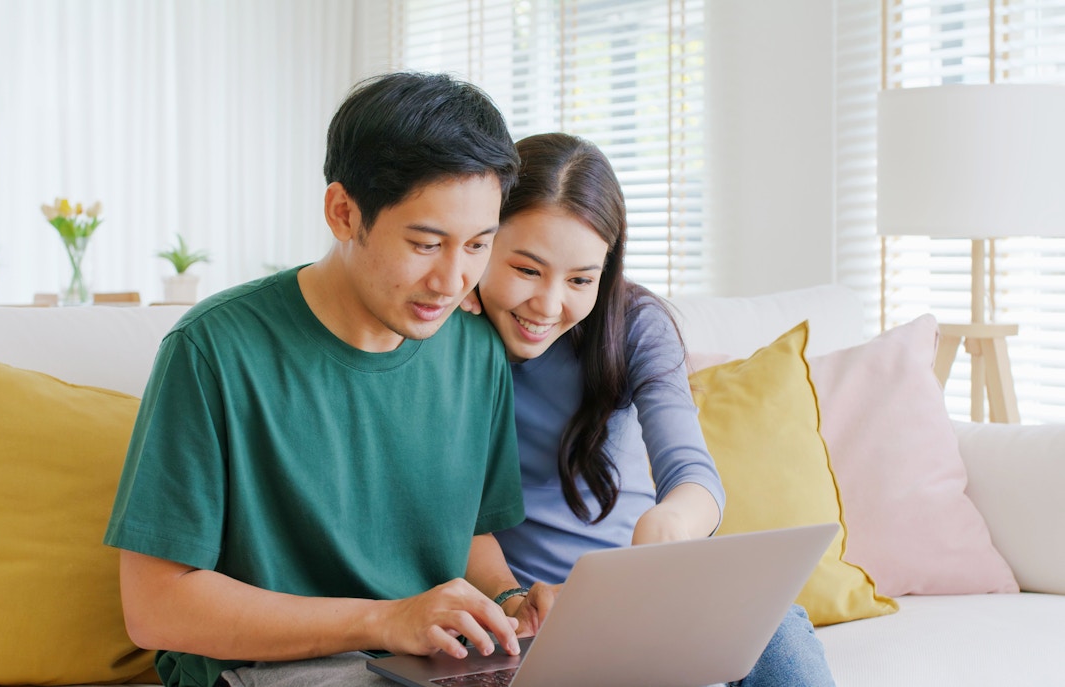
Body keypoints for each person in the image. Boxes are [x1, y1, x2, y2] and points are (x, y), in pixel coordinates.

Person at [104, 72, 545, 687]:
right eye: (425, 243)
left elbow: (468, 536)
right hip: (268, 674)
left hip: (430, 668)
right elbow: (155, 609)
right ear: (343, 212)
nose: (452, 281)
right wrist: (387, 620)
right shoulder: (214, 348)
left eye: (477, 245)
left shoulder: (474, 347)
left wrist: (508, 602)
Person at [470, 132, 836, 686]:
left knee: (778, 624)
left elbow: (692, 474)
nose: (547, 306)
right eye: (526, 269)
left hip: (650, 602)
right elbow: (446, 518)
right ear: (484, 241)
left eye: (580, 280)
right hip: (533, 620)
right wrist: (514, 600)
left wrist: (672, 521)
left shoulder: (636, 324)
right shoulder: (447, 340)